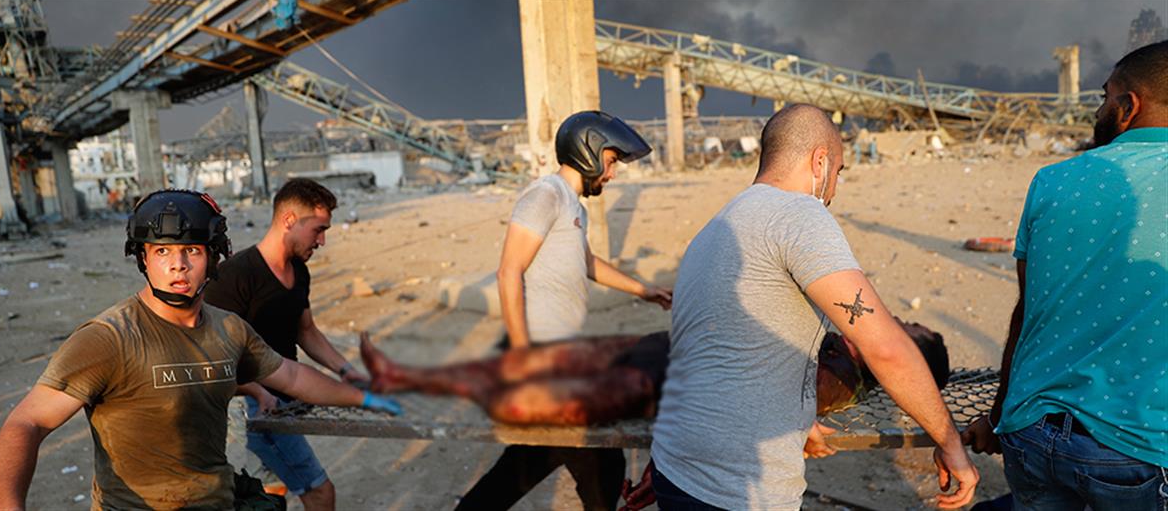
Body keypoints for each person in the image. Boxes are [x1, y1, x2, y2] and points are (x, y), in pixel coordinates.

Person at [649, 104, 978, 510]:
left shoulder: (721, 223)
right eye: (838, 172)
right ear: (819, 162)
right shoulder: (798, 214)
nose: (835, 188)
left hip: (676, 466)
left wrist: (797, 412)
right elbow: (885, 347)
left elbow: (731, 345)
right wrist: (950, 443)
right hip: (735, 488)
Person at [0, 190, 398, 510]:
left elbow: (291, 375)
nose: (177, 265)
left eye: (192, 251)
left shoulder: (229, 329)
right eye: (162, 251)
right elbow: (27, 423)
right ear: (143, 259)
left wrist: (363, 397)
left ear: (213, 258)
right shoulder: (108, 338)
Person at [961, 41, 1168, 509]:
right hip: (1142, 447)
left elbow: (1026, 313)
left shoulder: (1051, 180)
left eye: (1104, 96)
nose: (1098, 109)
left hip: (1031, 434)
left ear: (1128, 106)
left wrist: (998, 417)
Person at [456, 110, 673, 511]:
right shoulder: (546, 196)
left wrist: (643, 290)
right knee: (592, 459)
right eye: (611, 161)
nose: (612, 174)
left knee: (566, 460)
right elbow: (509, 272)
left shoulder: (573, 206)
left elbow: (586, 261)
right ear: (588, 152)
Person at [356, 320, 951, 427]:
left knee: (524, 400)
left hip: (668, 382)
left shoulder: (842, 380)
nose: (896, 322)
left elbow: (771, 398)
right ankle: (402, 376)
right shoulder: (840, 337)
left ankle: (451, 387)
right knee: (536, 358)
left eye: (909, 331)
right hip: (668, 348)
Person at [205, 179, 378, 510]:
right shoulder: (234, 276)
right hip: (252, 403)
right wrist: (257, 391)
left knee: (269, 492)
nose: (322, 241)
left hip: (285, 395)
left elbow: (306, 331)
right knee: (320, 493)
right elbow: (214, 358)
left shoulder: (299, 271)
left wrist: (347, 371)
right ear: (289, 220)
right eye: (318, 230)